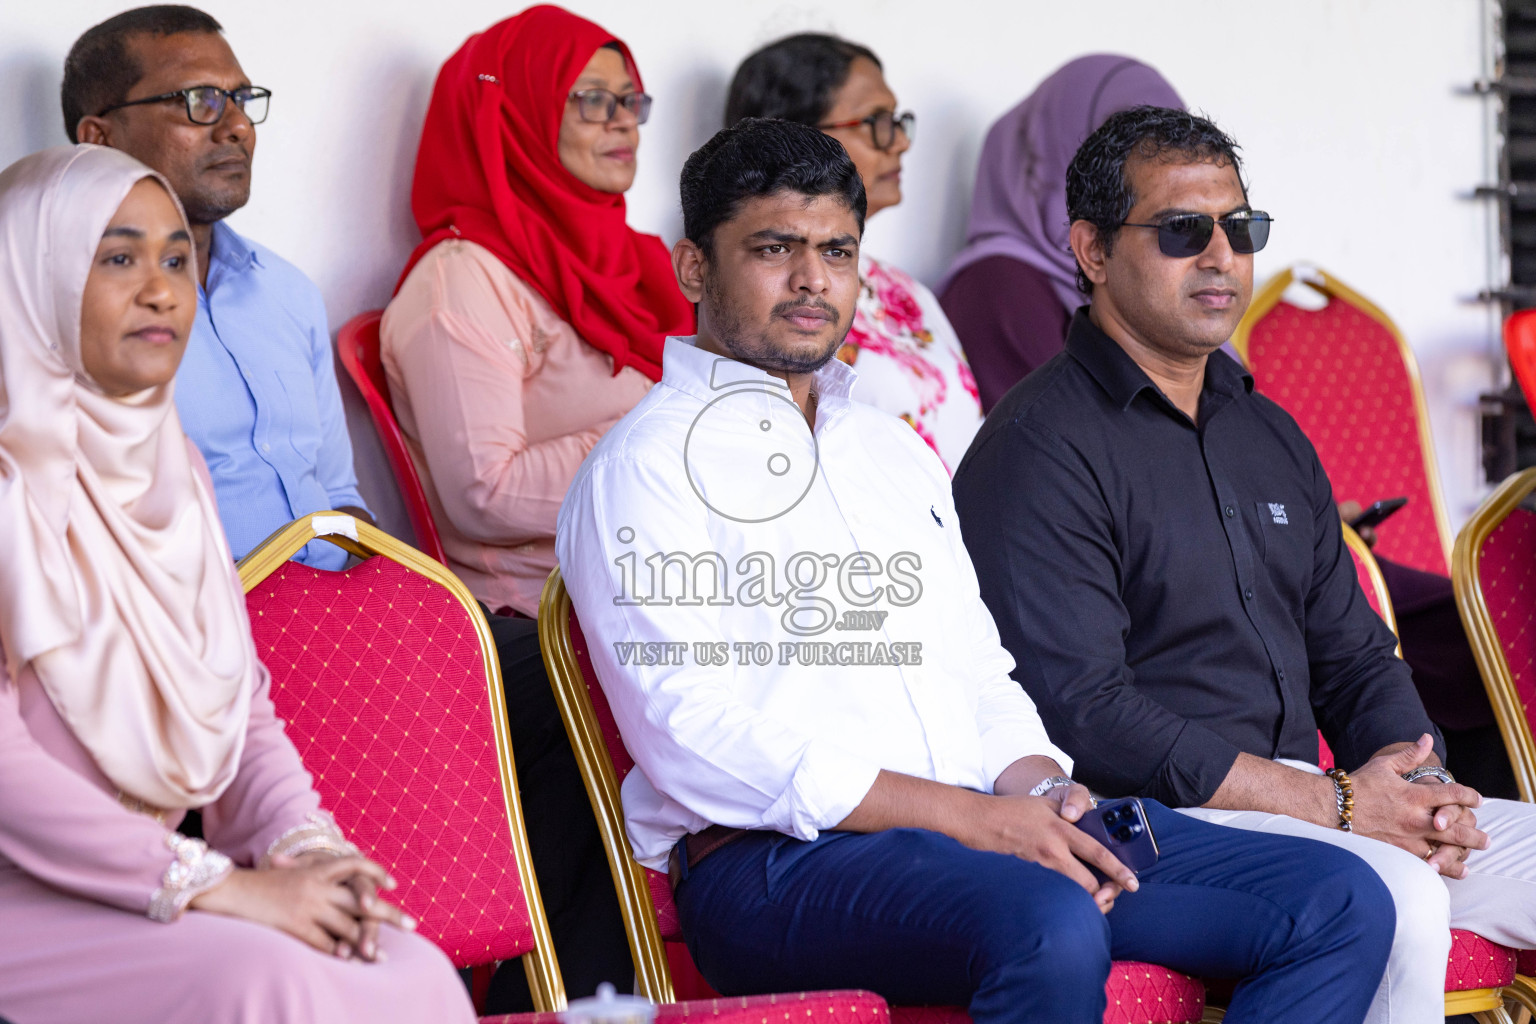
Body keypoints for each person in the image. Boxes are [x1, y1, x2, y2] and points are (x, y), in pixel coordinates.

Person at [556, 116, 1396, 1024]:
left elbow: (978, 671)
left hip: (983, 836)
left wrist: (1041, 790)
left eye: (838, 250)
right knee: (1049, 917)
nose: (812, 280)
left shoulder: (891, 451)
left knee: (1338, 901)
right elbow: (692, 734)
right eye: (773, 248)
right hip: (776, 862)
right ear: (693, 268)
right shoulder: (646, 466)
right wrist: (971, 822)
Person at [951, 106, 1536, 1024]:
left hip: (1319, 805)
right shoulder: (1038, 447)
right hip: (1168, 827)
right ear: (1092, 250)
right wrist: (1333, 804)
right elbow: (1085, 711)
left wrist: (1417, 788)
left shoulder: (1267, 432)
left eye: (1241, 228)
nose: (1221, 256)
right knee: (1398, 899)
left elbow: (1354, 654)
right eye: (1183, 231)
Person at [0, 143, 474, 1024]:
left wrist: (304, 853)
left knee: (406, 966)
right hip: (25, 898)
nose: (161, 289)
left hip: (147, 888)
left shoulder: (173, 472)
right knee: (269, 981)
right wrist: (214, 886)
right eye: (116, 258)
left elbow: (236, 704)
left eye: (176, 259)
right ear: (30, 279)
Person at [380, 5, 676, 1007]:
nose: (621, 120)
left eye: (627, 97)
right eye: (586, 99)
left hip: (647, 592)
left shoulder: (630, 261)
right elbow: (483, 491)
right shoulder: (461, 281)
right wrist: (656, 446)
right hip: (530, 619)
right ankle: (578, 991)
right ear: (507, 116)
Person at [64, 5, 372, 571]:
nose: (236, 126)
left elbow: (340, 491)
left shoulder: (287, 291)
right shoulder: (60, 311)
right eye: (198, 100)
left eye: (242, 99)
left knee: (532, 653)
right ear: (99, 138)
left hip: (338, 615)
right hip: (197, 634)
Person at [724, 35, 981, 471]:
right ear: (798, 141)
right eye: (876, 122)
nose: (899, 142)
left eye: (898, 121)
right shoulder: (750, 297)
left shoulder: (904, 292)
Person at [937, 56, 1181, 411]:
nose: (1158, 182)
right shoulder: (1000, 292)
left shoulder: (1150, 285)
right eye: (1122, 153)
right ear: (1053, 160)